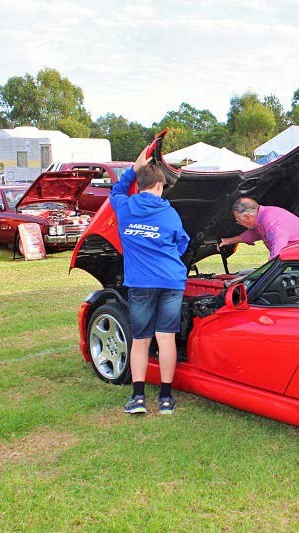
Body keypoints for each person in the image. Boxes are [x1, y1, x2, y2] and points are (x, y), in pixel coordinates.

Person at [110, 145, 190, 416]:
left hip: (141, 283)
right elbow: (182, 243)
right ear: (158, 185)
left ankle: (138, 398)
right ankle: (166, 399)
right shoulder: (169, 214)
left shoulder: (124, 207)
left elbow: (116, 191)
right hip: (171, 282)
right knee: (165, 337)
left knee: (141, 339)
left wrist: (133, 170)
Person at [218, 197, 299, 259]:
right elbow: (253, 234)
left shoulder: (271, 221)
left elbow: (277, 252)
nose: (238, 223)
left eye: (238, 220)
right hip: (298, 258)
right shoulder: (262, 217)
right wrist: (228, 241)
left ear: (247, 216)